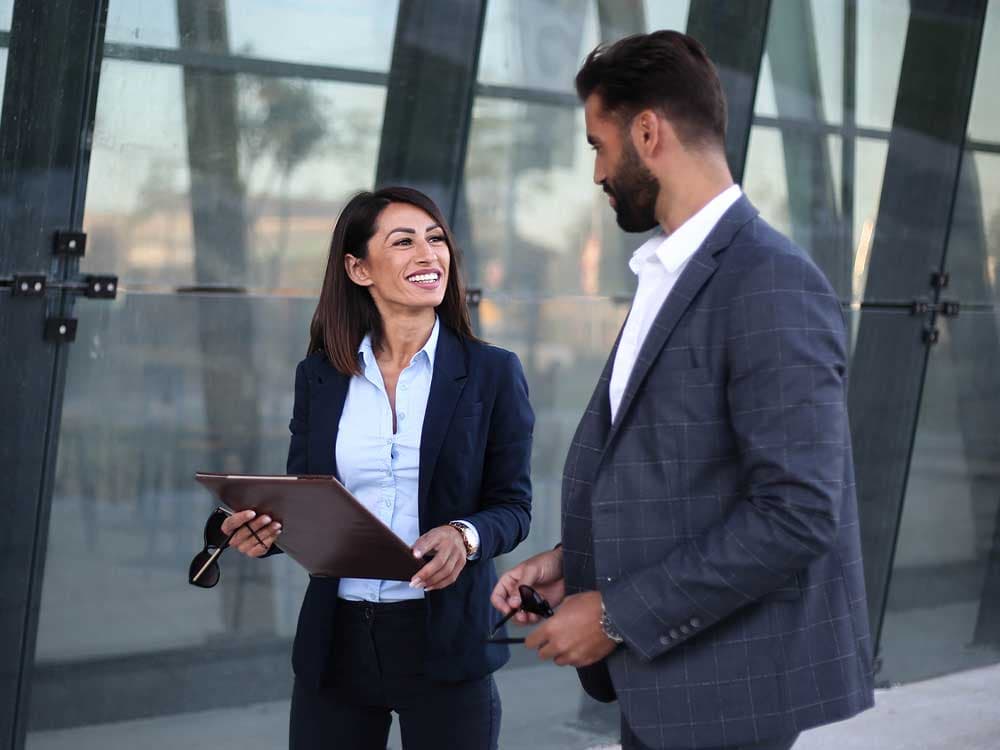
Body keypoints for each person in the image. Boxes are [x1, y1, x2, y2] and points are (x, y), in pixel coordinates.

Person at [492, 31, 874, 750]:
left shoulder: (771, 283)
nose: (599, 172)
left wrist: (613, 614)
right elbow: (680, 473)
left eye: (598, 146)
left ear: (647, 131)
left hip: (727, 696)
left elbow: (797, 512)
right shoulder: (670, 272)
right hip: (670, 686)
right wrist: (577, 561)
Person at [222, 186, 534, 750]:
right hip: (336, 642)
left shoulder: (492, 373)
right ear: (358, 268)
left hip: (445, 643)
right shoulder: (319, 377)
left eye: (436, 239)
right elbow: (305, 498)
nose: (428, 254)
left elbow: (514, 507)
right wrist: (264, 533)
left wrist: (464, 537)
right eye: (404, 241)